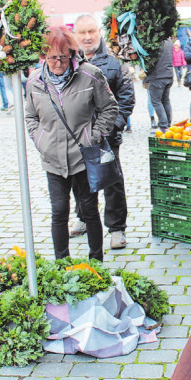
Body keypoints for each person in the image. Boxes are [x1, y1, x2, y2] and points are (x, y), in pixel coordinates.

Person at [25, 27, 119, 261]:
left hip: (82, 157)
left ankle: (96, 261)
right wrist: (40, 140)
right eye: (52, 57)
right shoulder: (35, 81)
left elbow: (109, 107)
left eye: (63, 56)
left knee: (88, 210)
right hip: (53, 158)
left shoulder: (90, 75)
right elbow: (30, 116)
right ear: (44, 56)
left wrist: (93, 137)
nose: (58, 62)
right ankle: (61, 264)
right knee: (59, 212)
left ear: (72, 55)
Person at [69, 14, 133, 249]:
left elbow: (126, 100)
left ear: (99, 32)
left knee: (112, 181)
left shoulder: (115, 64)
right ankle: (83, 217)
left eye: (91, 32)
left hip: (107, 135)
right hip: (77, 134)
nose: (87, 37)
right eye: (82, 32)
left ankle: (117, 228)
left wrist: (111, 127)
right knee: (79, 180)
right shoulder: (68, 61)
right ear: (75, 35)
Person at [149, 39, 176, 129]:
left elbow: (150, 60)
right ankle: (168, 123)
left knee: (156, 101)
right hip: (168, 74)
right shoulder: (168, 41)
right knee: (165, 100)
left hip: (158, 75)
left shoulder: (154, 42)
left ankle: (163, 124)